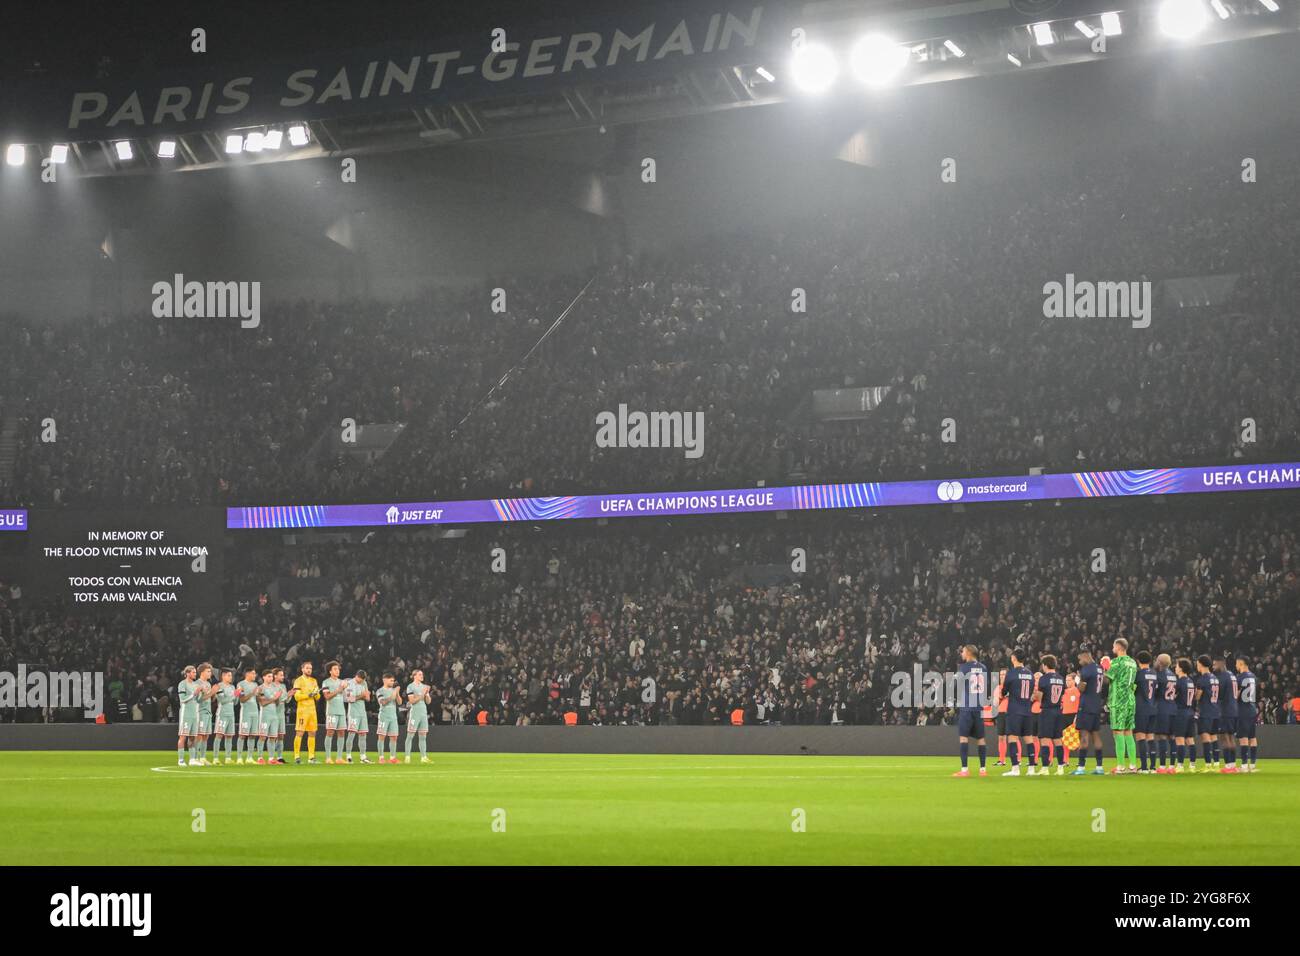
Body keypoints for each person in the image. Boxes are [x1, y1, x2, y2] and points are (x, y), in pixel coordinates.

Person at [952, 645, 989, 778]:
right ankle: (983, 769)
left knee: (963, 738)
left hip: (967, 707)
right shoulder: (984, 668)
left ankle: (964, 770)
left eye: (963, 651)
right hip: (979, 707)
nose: (961, 653)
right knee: (981, 739)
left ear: (968, 653)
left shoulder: (964, 668)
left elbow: (957, 685)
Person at [1000, 650, 1036, 776]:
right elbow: (1031, 690)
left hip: (1015, 710)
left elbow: (1004, 691)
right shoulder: (1030, 674)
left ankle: (1015, 768)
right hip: (1027, 710)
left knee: (1012, 738)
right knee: (1029, 739)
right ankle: (1031, 769)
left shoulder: (1012, 673)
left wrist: (1005, 692)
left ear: (1014, 658)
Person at [1071, 650, 1106, 775]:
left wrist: (1076, 679)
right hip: (1096, 706)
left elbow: (1082, 688)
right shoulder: (1100, 669)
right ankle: (1099, 767)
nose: (1080, 662)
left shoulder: (1086, 670)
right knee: (1096, 735)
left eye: (1080, 659)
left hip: (1086, 707)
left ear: (1085, 657)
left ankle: (1081, 768)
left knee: (1084, 736)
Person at [1033, 655, 1066, 776]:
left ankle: (1045, 768)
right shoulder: (1061, 678)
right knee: (1058, 740)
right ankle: (1061, 767)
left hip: (1047, 711)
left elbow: (1040, 697)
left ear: (1045, 665)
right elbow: (1062, 696)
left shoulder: (1044, 679)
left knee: (1045, 740)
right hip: (1058, 711)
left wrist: (1034, 696)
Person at [1194, 655, 1220, 774]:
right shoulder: (1215, 678)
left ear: (1200, 664)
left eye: (1197, 663)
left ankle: (1208, 764)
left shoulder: (1202, 679)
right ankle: (1216, 764)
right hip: (1215, 711)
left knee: (1206, 737)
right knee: (1214, 737)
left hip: (1206, 711)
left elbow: (1198, 696)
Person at [291, 661, 320, 764]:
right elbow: (297, 696)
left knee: (312, 733)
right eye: (307, 668)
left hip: (312, 711)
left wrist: (316, 694)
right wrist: (309, 695)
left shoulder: (314, 681)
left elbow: (317, 697)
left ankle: (311, 757)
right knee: (300, 732)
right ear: (302, 669)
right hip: (302, 711)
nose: (309, 670)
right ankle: (297, 756)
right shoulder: (298, 681)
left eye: (310, 668)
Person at [1214, 656, 1239, 773]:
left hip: (1224, 710)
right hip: (1233, 709)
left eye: (1215, 664)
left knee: (1224, 737)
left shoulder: (1222, 677)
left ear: (1221, 663)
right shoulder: (1232, 675)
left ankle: (1228, 765)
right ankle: (1233, 764)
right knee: (1231, 736)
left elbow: (1219, 695)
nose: (1213, 667)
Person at [1134, 651, 1158, 773]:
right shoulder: (1154, 674)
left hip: (1141, 709)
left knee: (1140, 736)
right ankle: (1153, 767)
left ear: (1138, 661)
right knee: (1150, 737)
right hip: (1153, 708)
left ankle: (1143, 767)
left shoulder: (1138, 675)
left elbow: (1132, 690)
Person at [1153, 653, 1178, 774]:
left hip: (1162, 709)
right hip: (1173, 708)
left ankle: (1162, 766)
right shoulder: (1173, 675)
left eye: (1156, 660)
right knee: (1172, 737)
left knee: (1161, 736)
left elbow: (1154, 693)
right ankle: (1172, 766)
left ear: (1160, 663)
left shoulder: (1158, 675)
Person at [1234, 657, 1259, 773]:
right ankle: (1253, 765)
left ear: (1241, 663)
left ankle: (1244, 765)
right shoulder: (1253, 676)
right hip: (1252, 709)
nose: (1236, 666)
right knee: (1252, 737)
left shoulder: (1240, 678)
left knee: (1243, 738)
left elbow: (1237, 694)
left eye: (1237, 664)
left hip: (1243, 709)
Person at [1174, 658, 1198, 773]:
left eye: (1177, 666)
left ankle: (1180, 765)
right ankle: (1192, 765)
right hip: (1190, 712)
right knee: (1190, 740)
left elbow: (1172, 696)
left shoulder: (1180, 682)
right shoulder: (1190, 681)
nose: (1175, 667)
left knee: (1180, 739)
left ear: (1181, 668)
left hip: (1181, 712)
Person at [320, 661, 347, 764]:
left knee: (341, 733)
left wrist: (346, 691)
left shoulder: (342, 682)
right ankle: (328, 757)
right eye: (335, 669)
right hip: (331, 711)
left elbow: (346, 697)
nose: (337, 671)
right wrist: (338, 690)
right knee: (330, 732)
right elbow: (327, 697)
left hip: (341, 711)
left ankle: (339, 758)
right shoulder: (326, 682)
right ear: (330, 671)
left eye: (338, 669)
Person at [344, 670, 372, 764]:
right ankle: (348, 756)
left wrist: (363, 696)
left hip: (362, 712)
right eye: (360, 679)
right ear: (356, 676)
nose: (361, 681)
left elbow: (368, 698)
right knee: (351, 734)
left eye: (363, 679)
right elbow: (349, 699)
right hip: (353, 712)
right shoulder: (349, 683)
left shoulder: (364, 683)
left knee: (363, 734)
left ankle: (363, 757)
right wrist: (362, 696)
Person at [404, 668, 432, 764]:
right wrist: (422, 694)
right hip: (415, 713)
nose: (422, 676)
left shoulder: (424, 686)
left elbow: (428, 702)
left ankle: (423, 757)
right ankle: (407, 756)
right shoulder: (410, 687)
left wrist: (427, 694)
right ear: (414, 676)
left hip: (423, 713)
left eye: (422, 674)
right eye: (420, 674)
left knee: (423, 736)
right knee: (410, 735)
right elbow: (412, 701)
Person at [212, 669, 239, 764]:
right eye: (228, 675)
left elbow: (235, 703)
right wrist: (234, 695)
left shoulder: (232, 687)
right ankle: (215, 758)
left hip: (231, 714)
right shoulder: (219, 686)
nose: (231, 677)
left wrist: (237, 696)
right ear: (223, 676)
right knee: (219, 735)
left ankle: (228, 758)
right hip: (222, 714)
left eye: (231, 675)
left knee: (229, 737)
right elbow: (222, 701)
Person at [235, 666, 260, 764]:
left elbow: (256, 699)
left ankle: (249, 758)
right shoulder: (241, 684)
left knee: (252, 735)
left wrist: (258, 694)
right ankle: (239, 757)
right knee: (242, 735)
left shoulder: (255, 684)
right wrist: (252, 693)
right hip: (246, 713)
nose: (255, 675)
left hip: (255, 712)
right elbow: (242, 699)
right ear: (247, 674)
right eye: (253, 673)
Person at [176, 665, 200, 767]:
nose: (195, 674)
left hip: (195, 714)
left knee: (192, 738)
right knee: (183, 737)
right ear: (187, 673)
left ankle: (192, 759)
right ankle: (181, 760)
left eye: (195, 672)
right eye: (193, 672)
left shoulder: (195, 685)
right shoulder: (182, 684)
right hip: (186, 714)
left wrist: (200, 693)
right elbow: (182, 699)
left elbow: (197, 700)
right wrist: (193, 694)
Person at [375, 674, 401, 764]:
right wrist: (394, 693)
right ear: (385, 680)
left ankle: (392, 757)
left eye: (393, 681)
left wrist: (397, 693)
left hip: (393, 717)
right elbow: (383, 702)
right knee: (382, 737)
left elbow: (400, 702)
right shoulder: (380, 691)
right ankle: (381, 757)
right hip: (384, 716)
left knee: (394, 737)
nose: (393, 682)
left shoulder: (394, 690)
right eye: (391, 680)